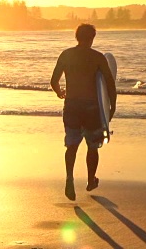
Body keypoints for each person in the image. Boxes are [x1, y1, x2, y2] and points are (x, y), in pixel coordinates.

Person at [50, 24, 117, 201]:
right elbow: (110, 84)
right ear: (92, 38)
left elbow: (54, 80)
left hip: (71, 106)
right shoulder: (97, 57)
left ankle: (69, 178)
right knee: (92, 146)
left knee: (71, 145)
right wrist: (112, 107)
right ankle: (90, 179)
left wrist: (60, 92)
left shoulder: (66, 55)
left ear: (76, 36)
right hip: (92, 109)